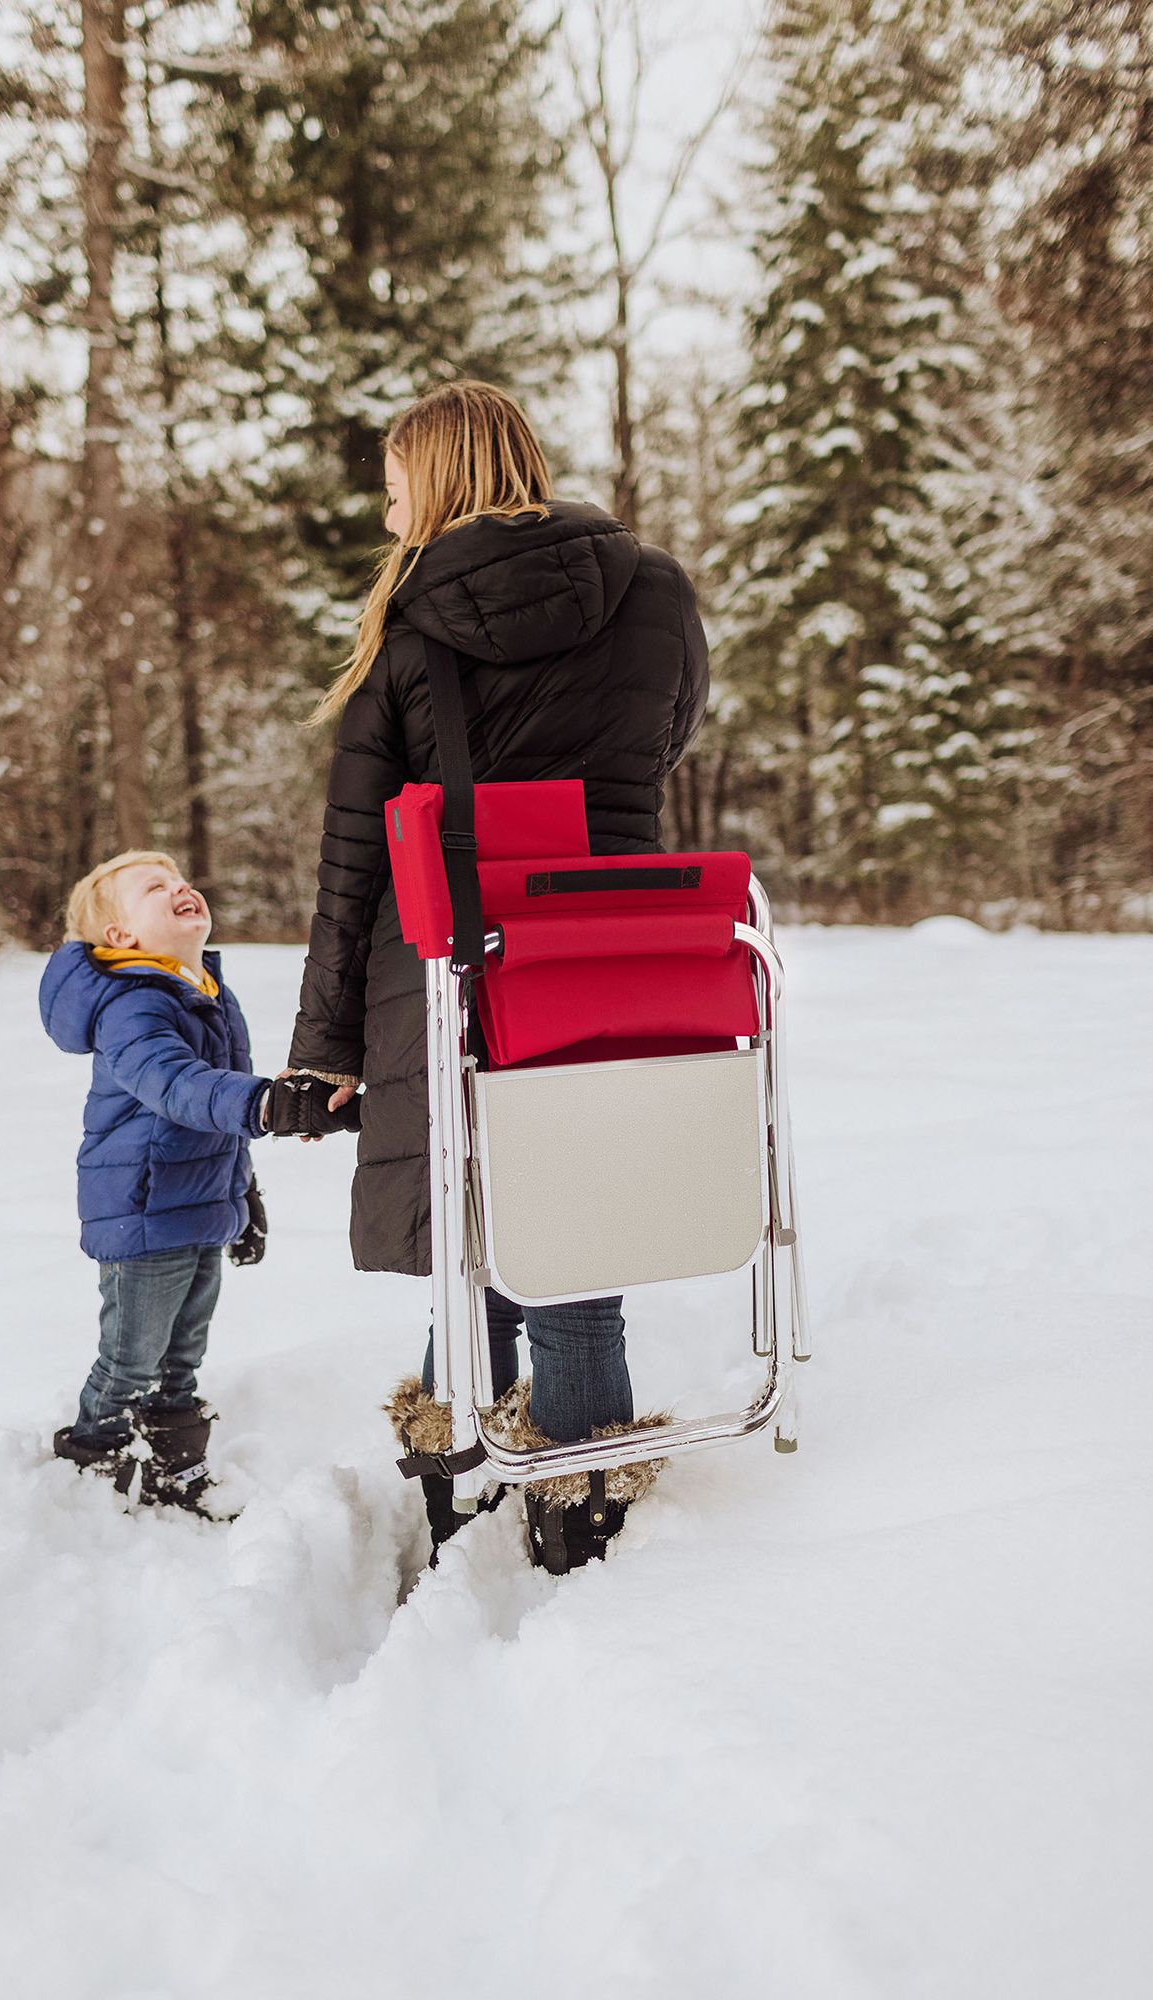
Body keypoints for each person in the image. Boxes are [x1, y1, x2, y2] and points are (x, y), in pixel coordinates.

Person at [287, 380, 710, 1573]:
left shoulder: (412, 623)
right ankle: (582, 1512)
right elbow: (665, 737)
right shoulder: (657, 589)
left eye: (393, 489)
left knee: (471, 1224)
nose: (387, 519)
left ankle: (455, 1480)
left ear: (440, 476)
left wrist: (324, 1040)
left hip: (447, 959)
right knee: (573, 1216)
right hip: (607, 940)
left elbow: (354, 854)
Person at [39, 850, 272, 1515]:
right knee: (130, 1359)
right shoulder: (133, 1006)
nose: (181, 888)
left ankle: (176, 1474)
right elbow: (178, 1087)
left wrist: (244, 1196)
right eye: (155, 887)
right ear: (121, 936)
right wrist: (264, 1103)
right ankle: (90, 1473)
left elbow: (212, 1126)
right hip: (142, 1213)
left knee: (182, 1357)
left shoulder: (204, 994)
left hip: (196, 1209)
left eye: (181, 880)